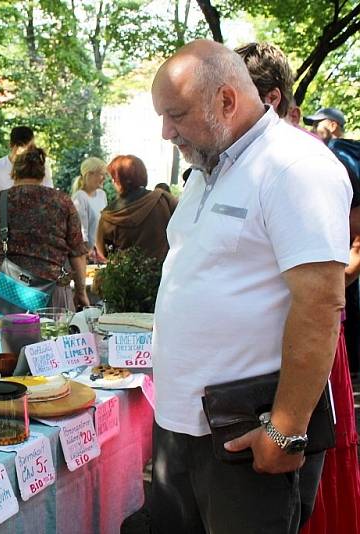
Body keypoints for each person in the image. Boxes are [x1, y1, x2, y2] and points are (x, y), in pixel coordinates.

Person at [151, 40, 351, 533]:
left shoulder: (295, 167)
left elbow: (321, 303)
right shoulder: (207, 167)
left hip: (245, 434)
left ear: (226, 100)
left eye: (175, 115)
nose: (164, 132)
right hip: (183, 429)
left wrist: (285, 430)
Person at [236, 40, 360, 534]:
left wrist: (330, 289)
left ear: (266, 99)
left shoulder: (310, 161)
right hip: (283, 340)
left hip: (308, 340)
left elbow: (340, 261)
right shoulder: (244, 163)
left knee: (310, 456)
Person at [0, 147, 89, 310]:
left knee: (3, 335)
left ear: (14, 173)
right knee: (53, 335)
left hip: (3, 289)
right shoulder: (62, 201)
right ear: (42, 174)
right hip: (51, 291)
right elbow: (77, 253)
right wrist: (81, 291)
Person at [94, 155, 176, 262]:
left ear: (118, 181)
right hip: (164, 273)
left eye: (114, 179)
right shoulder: (163, 199)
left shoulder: (109, 215)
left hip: (124, 275)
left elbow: (104, 252)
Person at [0, 126, 52, 226]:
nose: (24, 156)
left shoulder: (42, 167)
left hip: (36, 229)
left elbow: (49, 200)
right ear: (11, 145)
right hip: (6, 233)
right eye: (20, 149)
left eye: (29, 149)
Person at [70, 157, 108, 262]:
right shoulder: (80, 197)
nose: (104, 178)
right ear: (89, 174)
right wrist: (89, 252)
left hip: (101, 254)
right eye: (101, 174)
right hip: (88, 257)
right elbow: (81, 232)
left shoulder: (102, 194)